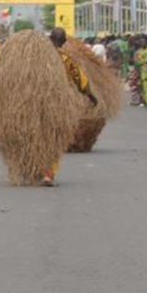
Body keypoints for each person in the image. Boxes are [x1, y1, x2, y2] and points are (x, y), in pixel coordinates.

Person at [44, 27, 99, 185]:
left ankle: (35, 168)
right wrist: (91, 96)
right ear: (63, 42)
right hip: (58, 104)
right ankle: (48, 174)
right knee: (56, 138)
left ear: (50, 39)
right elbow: (80, 81)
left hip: (36, 103)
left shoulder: (38, 58)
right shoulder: (66, 60)